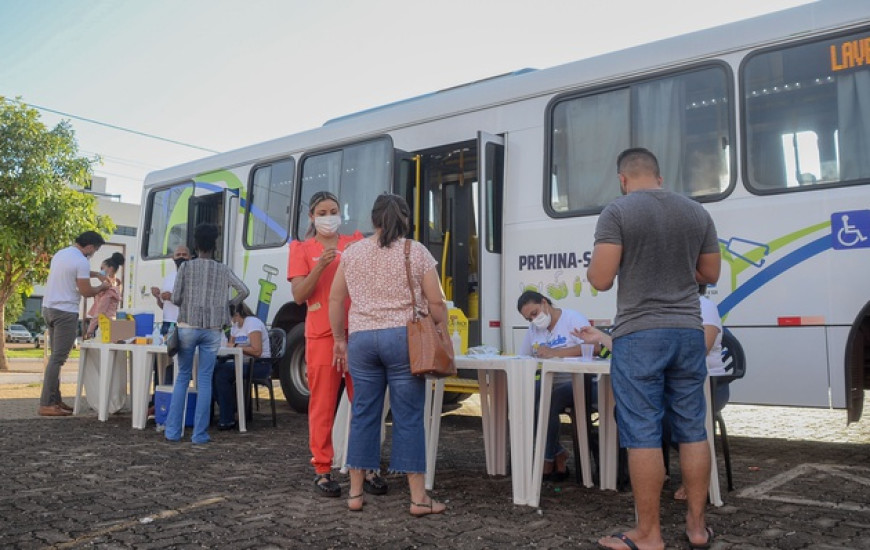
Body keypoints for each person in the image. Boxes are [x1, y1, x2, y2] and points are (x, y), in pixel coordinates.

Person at [587, 148, 720, 550]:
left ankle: (648, 534)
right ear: (658, 178)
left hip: (639, 333)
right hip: (686, 331)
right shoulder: (696, 212)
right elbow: (709, 274)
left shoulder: (618, 211)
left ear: (623, 179)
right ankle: (697, 528)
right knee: (693, 428)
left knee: (642, 431)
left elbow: (600, 279)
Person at [328, 193, 447, 516]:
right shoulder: (416, 251)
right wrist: (442, 329)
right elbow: (436, 302)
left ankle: (354, 493)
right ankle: (418, 499)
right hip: (403, 339)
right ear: (405, 219)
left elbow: (336, 300)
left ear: (373, 220)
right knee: (408, 417)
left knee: (364, 414)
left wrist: (340, 339)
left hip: (363, 340)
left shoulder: (352, 252)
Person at [287, 191, 371, 497]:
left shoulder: (355, 243)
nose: (328, 217)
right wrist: (320, 266)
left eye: (333, 210)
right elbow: (299, 295)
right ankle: (323, 469)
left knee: (364, 401)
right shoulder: (301, 249)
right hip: (322, 336)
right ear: (312, 217)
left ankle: (368, 465)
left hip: (358, 332)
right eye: (322, 212)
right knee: (322, 403)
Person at [166, 223, 249, 444]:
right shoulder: (223, 269)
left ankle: (173, 432)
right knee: (204, 380)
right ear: (214, 246)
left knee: (183, 377)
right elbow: (244, 290)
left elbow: (175, 298)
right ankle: (199, 434)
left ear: (196, 245)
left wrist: (188, 302)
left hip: (187, 326)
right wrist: (228, 305)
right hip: (212, 329)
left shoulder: (185, 267)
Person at [516, 290, 594, 480]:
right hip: (548, 379)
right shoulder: (534, 329)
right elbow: (523, 356)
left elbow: (595, 347)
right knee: (524, 395)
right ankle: (556, 452)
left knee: (546, 399)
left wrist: (556, 353)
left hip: (576, 381)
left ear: (544, 303)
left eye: (534, 313)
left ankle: (548, 458)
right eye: (529, 318)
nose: (534, 320)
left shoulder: (572, 319)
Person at [39, 231, 110, 417]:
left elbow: (75, 274)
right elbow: (86, 291)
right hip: (65, 313)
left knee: (55, 358)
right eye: (95, 249)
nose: (94, 252)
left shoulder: (61, 254)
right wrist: (102, 287)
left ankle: (55, 400)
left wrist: (95, 274)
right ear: (89, 246)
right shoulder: (81, 261)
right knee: (58, 359)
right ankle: (46, 403)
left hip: (49, 309)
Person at [213, 301, 271, 430]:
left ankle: (227, 417)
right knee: (214, 369)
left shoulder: (252, 323)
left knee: (222, 374)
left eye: (231, 317)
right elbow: (230, 346)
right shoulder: (235, 326)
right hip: (241, 362)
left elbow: (257, 350)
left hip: (259, 364)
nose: (230, 321)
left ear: (237, 314)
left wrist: (236, 346)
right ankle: (229, 407)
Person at [151, 244, 191, 336]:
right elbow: (163, 306)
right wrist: (157, 297)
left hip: (185, 325)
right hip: (167, 323)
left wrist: (172, 297)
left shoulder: (193, 277)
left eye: (184, 255)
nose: (181, 257)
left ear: (189, 258)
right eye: (178, 255)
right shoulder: (168, 277)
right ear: (173, 258)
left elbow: (192, 301)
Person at [85, 252, 125, 338]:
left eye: (102, 268)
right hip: (112, 323)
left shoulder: (108, 290)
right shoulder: (117, 285)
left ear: (110, 269)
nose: (100, 272)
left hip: (105, 326)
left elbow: (100, 312)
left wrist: (89, 330)